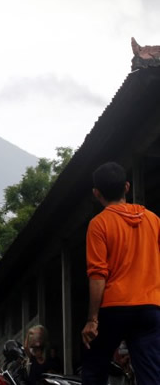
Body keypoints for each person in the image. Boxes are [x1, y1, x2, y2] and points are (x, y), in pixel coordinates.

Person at [81, 162, 160, 384]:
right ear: (126, 187)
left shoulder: (99, 224)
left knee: (94, 368)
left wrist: (92, 320)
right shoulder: (154, 220)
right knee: (151, 374)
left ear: (97, 193)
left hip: (114, 308)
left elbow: (97, 275)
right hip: (149, 308)